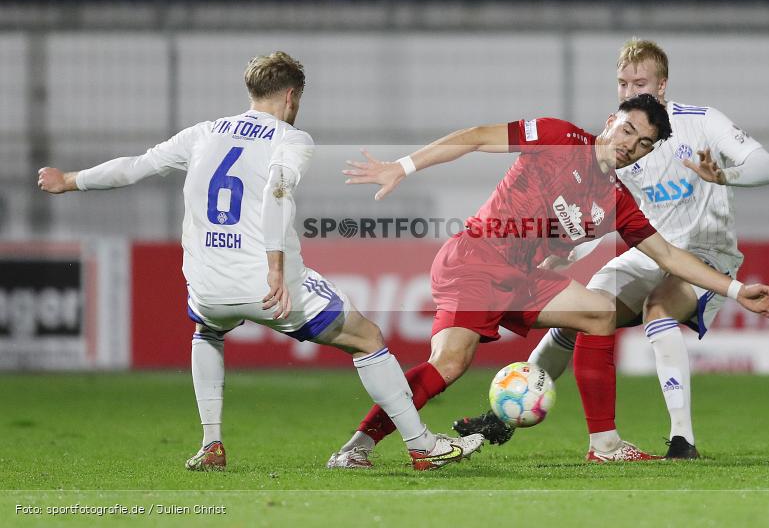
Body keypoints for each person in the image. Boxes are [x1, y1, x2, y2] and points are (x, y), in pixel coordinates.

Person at [36, 51, 484, 472]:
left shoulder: (203, 133)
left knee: (207, 330)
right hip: (269, 284)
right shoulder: (290, 138)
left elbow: (136, 167)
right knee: (367, 338)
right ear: (292, 96)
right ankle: (422, 446)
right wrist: (274, 267)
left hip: (207, 288)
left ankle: (211, 443)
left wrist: (71, 179)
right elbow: (278, 190)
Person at [327, 93, 769, 468]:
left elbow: (670, 256)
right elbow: (474, 138)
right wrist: (401, 167)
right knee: (450, 363)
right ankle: (358, 446)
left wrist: (735, 290)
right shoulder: (556, 136)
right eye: (628, 129)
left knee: (596, 312)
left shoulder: (617, 200)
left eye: (644, 143)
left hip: (522, 277)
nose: (630, 144)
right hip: (475, 260)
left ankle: (605, 444)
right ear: (611, 121)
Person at [453, 38, 769, 461]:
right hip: (650, 251)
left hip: (705, 254)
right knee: (584, 315)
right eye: (622, 83)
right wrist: (561, 255)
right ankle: (501, 419)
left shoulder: (702, 122)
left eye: (639, 82)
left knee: (659, 309)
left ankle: (682, 440)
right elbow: (601, 218)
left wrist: (724, 175)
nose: (629, 91)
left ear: (662, 85)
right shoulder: (623, 140)